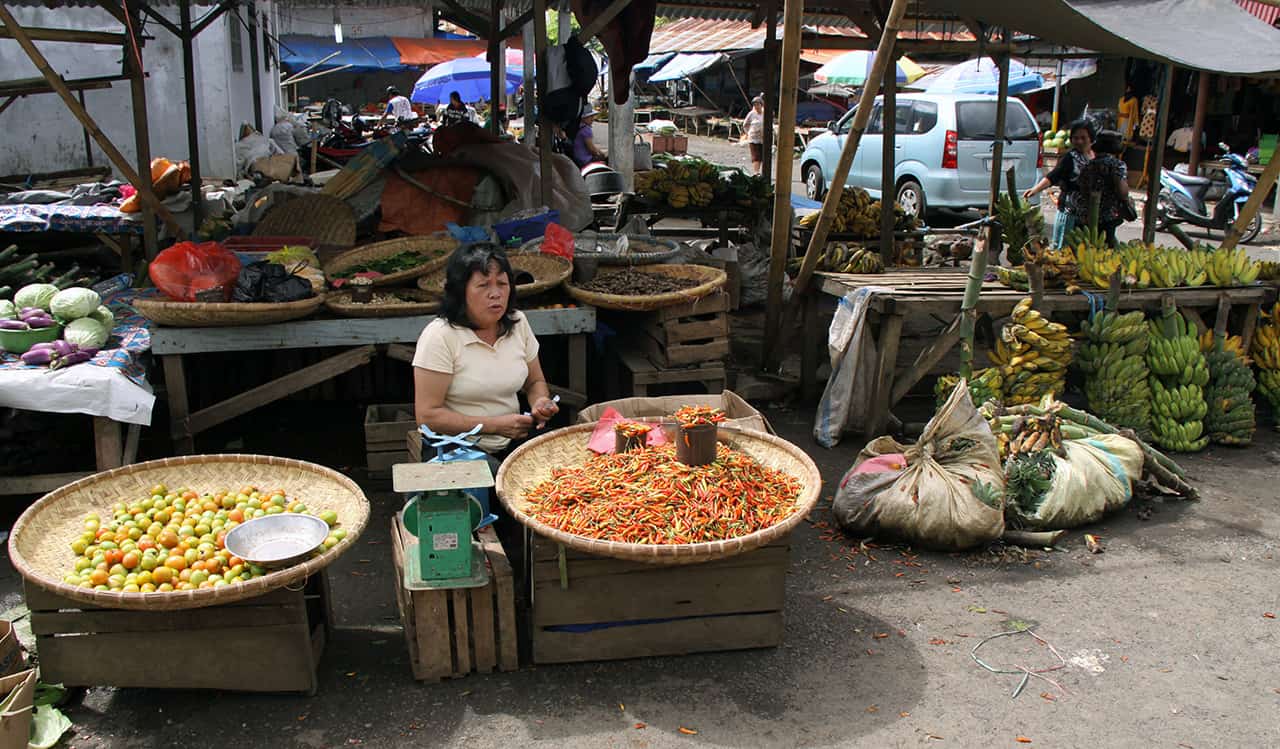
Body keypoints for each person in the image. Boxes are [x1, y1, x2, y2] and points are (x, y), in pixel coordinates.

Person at [413, 244, 559, 460]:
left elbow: (534, 382)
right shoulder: (440, 336)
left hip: (512, 439)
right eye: (483, 285)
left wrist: (540, 403)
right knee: (490, 484)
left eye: (502, 284)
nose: (496, 294)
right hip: (455, 446)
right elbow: (428, 415)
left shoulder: (518, 323)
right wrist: (493, 426)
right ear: (461, 291)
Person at [1024, 118, 1096, 248]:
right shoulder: (1069, 158)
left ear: (1091, 138)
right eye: (1075, 138)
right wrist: (1035, 189)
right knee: (1063, 247)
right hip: (1069, 212)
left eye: (1083, 138)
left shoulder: (1095, 157)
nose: (1079, 141)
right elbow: (1053, 176)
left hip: (1089, 213)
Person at [1074, 130, 1131, 247]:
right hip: (1107, 215)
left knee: (1086, 248)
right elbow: (1122, 192)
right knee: (1106, 247)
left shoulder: (1088, 165)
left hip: (1086, 215)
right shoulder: (1117, 165)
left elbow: (1081, 188)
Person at [743, 95, 766, 176]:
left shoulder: (765, 113)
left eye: (758, 104)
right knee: (756, 155)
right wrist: (747, 133)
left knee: (763, 155)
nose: (756, 106)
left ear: (761, 105)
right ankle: (756, 172)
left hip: (763, 137)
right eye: (754, 105)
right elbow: (745, 124)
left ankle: (763, 172)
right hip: (753, 137)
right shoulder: (751, 114)